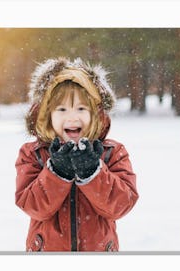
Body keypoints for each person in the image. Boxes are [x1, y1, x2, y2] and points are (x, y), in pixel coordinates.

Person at [15, 57, 139, 252]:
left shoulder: (111, 153)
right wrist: (57, 173)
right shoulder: (33, 154)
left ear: (95, 114)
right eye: (62, 109)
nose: (72, 117)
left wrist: (93, 173)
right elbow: (32, 206)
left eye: (81, 108)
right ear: (47, 115)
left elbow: (121, 205)